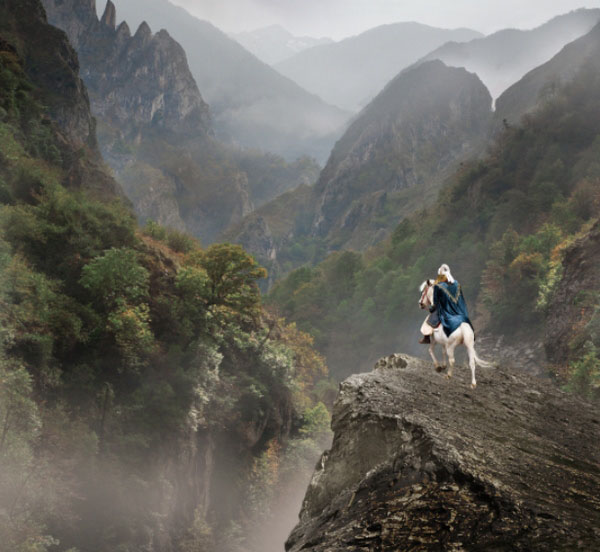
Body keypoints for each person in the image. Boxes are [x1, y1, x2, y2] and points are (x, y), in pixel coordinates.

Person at [419, 264, 473, 343]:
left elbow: (437, 302)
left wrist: (431, 308)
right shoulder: (456, 285)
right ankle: (472, 334)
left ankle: (426, 338)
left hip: (445, 309)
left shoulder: (439, 286)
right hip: (458, 309)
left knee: (429, 320)